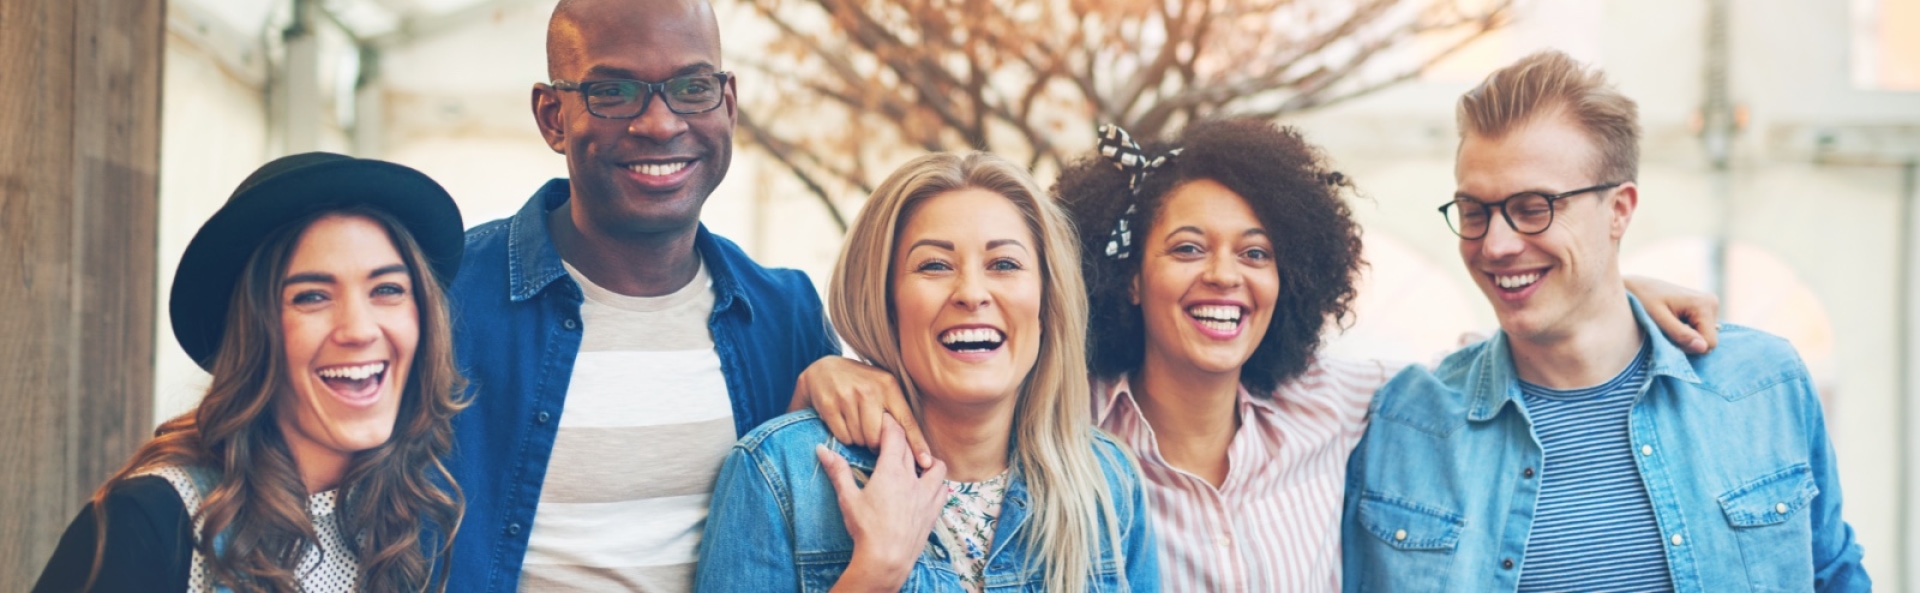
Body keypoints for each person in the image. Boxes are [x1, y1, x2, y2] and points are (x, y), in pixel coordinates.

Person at [797, 119, 1720, 590]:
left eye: (1257, 252)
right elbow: (960, 361)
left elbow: (1497, 362)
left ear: (1291, 277)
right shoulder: (1063, 423)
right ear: (1126, 275)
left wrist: (1612, 297)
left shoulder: (1347, 404)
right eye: (1188, 248)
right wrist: (838, 368)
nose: (1223, 279)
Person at [1341, 50, 1869, 592]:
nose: (1495, 246)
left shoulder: (1763, 384)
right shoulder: (1403, 422)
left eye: (1533, 207)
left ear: (1619, 210)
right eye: (1475, 212)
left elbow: (1833, 575)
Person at [442, 0, 838, 590]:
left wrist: (860, 378)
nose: (659, 122)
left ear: (727, 105)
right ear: (552, 116)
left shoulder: (785, 316)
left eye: (692, 86)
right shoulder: (445, 300)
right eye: (614, 91)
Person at [696, 152, 1157, 592]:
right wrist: (874, 574)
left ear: (1044, 303)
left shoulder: (1109, 482)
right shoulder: (781, 472)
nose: (972, 293)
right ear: (886, 302)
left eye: (1004, 264)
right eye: (934, 265)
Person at [32, 152, 468, 592]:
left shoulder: (410, 518)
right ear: (252, 330)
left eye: (387, 289)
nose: (358, 329)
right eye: (312, 296)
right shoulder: (151, 523)